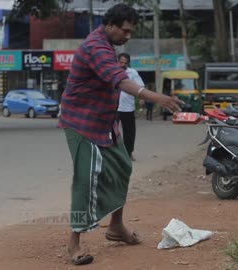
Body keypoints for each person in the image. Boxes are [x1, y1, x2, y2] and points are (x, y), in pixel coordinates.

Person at [58, 4, 183, 266]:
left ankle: (116, 227)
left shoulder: (109, 46)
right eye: (125, 30)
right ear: (111, 25)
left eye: (131, 31)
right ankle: (74, 243)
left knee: (123, 167)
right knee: (86, 178)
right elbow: (119, 80)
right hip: (81, 123)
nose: (128, 36)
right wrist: (155, 97)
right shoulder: (96, 47)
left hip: (105, 123)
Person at [117, 52, 143, 161]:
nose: (123, 64)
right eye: (121, 62)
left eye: (125, 63)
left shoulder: (132, 73)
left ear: (128, 63)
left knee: (130, 133)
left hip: (128, 108)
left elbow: (140, 86)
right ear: (117, 61)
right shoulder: (112, 71)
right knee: (111, 132)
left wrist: (141, 98)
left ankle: (128, 153)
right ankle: (113, 154)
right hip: (114, 108)